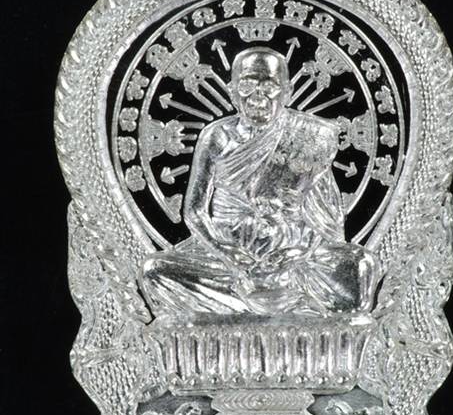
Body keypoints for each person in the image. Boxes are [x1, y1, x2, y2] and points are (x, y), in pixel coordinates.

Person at [139, 46, 378, 322]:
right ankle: (283, 306)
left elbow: (326, 220)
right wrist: (225, 251)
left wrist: (300, 252)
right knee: (155, 271)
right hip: (228, 255)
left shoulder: (310, 137)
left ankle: (255, 305)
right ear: (232, 92)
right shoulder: (217, 136)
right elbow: (194, 211)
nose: (258, 96)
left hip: (291, 255)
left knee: (360, 267)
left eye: (269, 86)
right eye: (248, 85)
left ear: (287, 92)